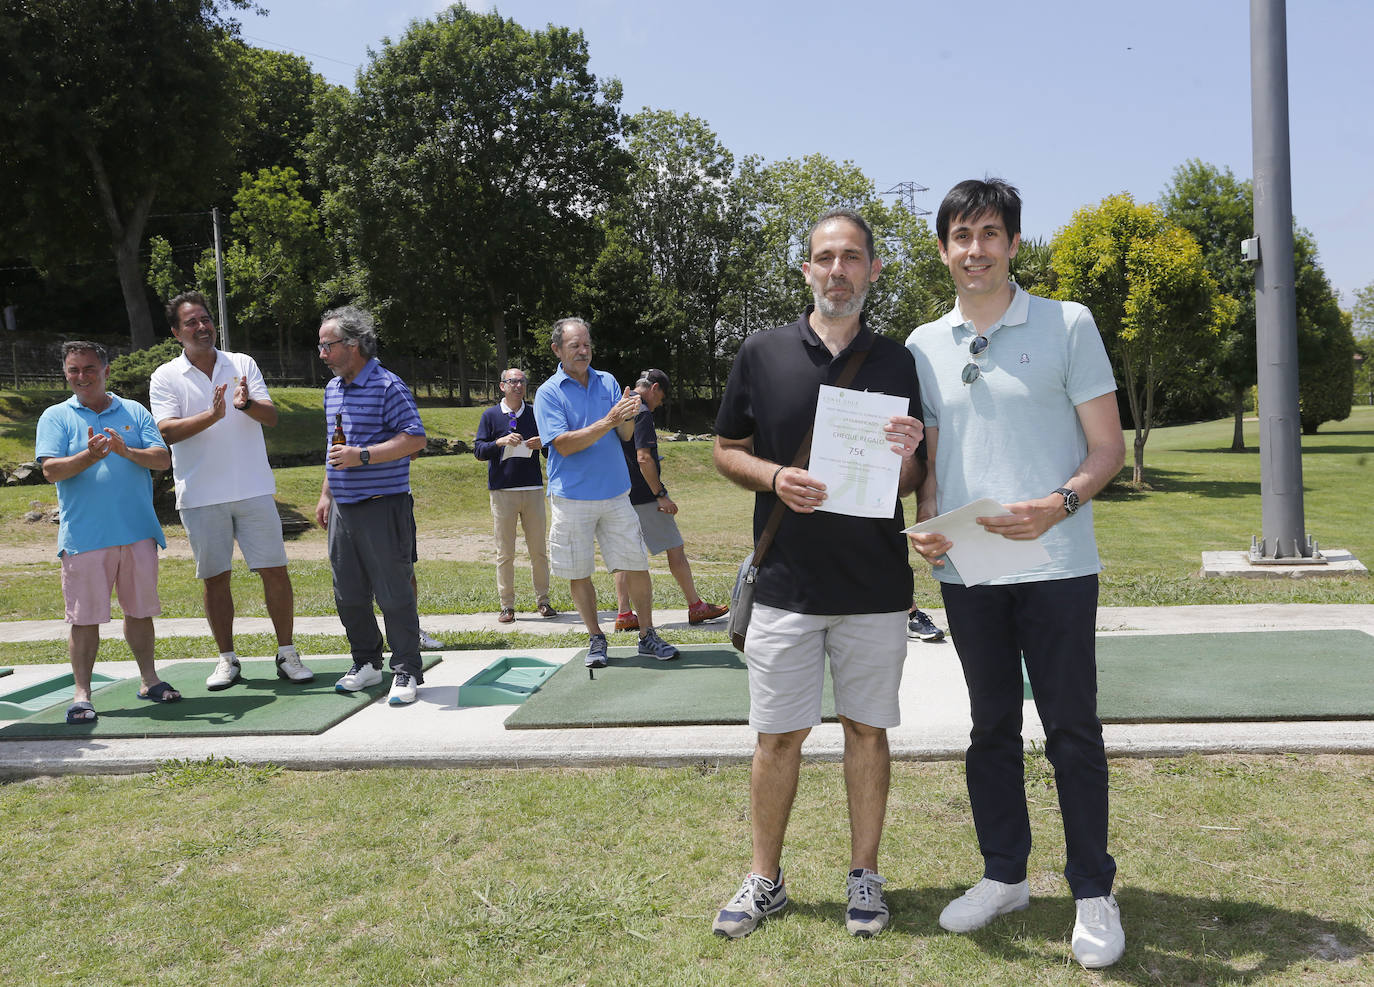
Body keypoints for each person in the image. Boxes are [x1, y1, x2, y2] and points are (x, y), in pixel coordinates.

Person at [905, 178, 1127, 969]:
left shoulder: (1069, 324)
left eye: (990, 234)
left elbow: (1108, 450)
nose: (976, 250)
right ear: (942, 250)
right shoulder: (924, 343)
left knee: (1072, 728)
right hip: (969, 569)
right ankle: (1005, 875)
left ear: (1013, 244)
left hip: (1058, 562)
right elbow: (929, 459)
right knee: (990, 727)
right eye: (961, 237)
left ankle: (1093, 891)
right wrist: (928, 525)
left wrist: (1057, 504)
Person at [711, 209, 926, 940]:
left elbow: (913, 474)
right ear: (806, 269)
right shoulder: (761, 352)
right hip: (785, 587)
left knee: (868, 731)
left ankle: (865, 873)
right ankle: (764, 878)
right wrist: (775, 476)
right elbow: (724, 448)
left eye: (852, 257)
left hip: (873, 587)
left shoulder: (900, 361)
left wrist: (909, 456)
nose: (838, 269)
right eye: (825, 257)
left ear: (871, 270)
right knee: (777, 737)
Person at [149, 292, 314, 689]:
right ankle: (227, 659)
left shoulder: (241, 364)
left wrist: (244, 405)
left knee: (275, 571)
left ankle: (287, 653)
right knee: (215, 578)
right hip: (201, 494)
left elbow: (270, 416)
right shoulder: (165, 375)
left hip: (253, 488)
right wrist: (211, 415)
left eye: (206, 319)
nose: (202, 327)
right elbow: (166, 430)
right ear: (176, 332)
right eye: (191, 322)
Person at [36, 341, 178, 723]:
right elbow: (51, 470)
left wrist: (124, 450)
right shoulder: (55, 416)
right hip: (85, 537)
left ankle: (150, 680)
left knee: (140, 612)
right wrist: (90, 456)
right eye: (73, 370)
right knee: (83, 619)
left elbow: (163, 459)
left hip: (137, 533)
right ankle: (82, 696)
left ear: (106, 370)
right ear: (66, 374)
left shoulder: (133, 410)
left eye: (89, 368)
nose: (82, 376)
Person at [532, 317, 678, 668]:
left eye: (586, 344)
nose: (583, 351)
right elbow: (563, 445)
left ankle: (647, 635)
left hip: (616, 495)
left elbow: (626, 435)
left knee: (636, 566)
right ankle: (596, 637)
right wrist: (610, 420)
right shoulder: (549, 392)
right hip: (572, 498)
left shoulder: (608, 381)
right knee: (579, 571)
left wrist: (628, 414)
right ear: (557, 350)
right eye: (574, 346)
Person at [314, 306, 429, 706]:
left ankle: (406, 670)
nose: (322, 353)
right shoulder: (332, 390)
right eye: (320, 346)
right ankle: (366, 662)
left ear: (354, 345)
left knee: (394, 592)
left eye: (328, 346)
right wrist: (327, 492)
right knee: (348, 593)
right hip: (344, 509)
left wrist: (363, 455)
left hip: (384, 506)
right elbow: (335, 448)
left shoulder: (387, 386)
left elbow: (415, 439)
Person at [610, 368, 728, 630]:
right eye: (661, 398)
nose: (659, 404)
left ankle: (624, 614)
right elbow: (644, 458)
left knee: (624, 557)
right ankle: (696, 606)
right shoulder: (641, 411)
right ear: (654, 389)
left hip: (619, 495)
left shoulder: (619, 406)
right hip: (644, 496)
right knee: (675, 547)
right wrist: (660, 495)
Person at [473, 367, 557, 624]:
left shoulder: (535, 414)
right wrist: (499, 442)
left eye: (522, 381)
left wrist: (543, 443)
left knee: (538, 550)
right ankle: (507, 606)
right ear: (502, 386)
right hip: (502, 491)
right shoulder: (490, 415)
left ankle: (543, 601)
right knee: (505, 552)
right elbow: (479, 450)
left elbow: (549, 451)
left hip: (532, 489)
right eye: (513, 381)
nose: (518, 386)